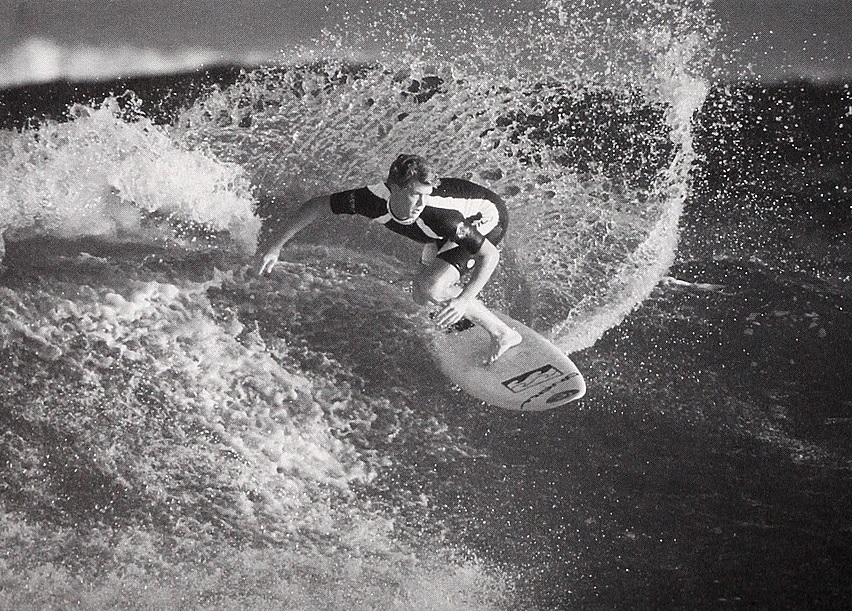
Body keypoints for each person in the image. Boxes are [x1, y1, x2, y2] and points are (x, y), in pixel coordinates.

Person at [256, 154, 522, 363]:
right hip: (438, 231)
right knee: (420, 294)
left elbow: (490, 254)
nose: (420, 202)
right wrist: (275, 247)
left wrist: (463, 300)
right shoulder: (369, 200)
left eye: (425, 195)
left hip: (485, 219)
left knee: (432, 286)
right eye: (415, 194)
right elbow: (317, 204)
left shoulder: (440, 215)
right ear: (393, 188)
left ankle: (503, 333)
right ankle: (455, 308)